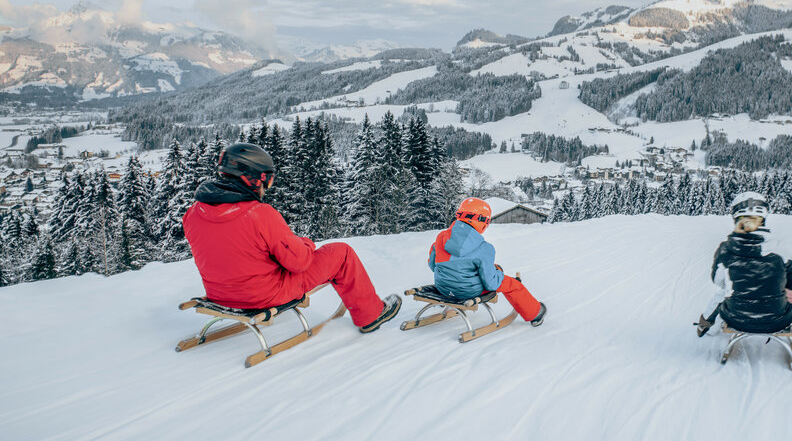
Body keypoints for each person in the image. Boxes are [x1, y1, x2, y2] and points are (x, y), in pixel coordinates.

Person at [183, 142, 400, 333]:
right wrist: (306, 243)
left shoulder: (193, 213)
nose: (265, 188)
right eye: (266, 181)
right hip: (265, 296)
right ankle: (371, 315)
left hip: (218, 295)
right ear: (252, 179)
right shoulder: (258, 214)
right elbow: (299, 262)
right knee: (341, 253)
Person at [696, 192, 792, 344]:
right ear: (764, 218)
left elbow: (718, 281)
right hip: (778, 320)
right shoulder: (782, 248)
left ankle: (706, 326)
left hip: (736, 319)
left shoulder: (726, 249)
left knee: (723, 294)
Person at [428, 197, 546, 326]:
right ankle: (535, 313)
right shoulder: (485, 248)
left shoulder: (441, 238)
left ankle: (452, 293)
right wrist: (499, 273)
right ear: (483, 221)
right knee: (512, 284)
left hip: (443, 288)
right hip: (467, 292)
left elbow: (433, 265)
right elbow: (491, 284)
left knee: (481, 271)